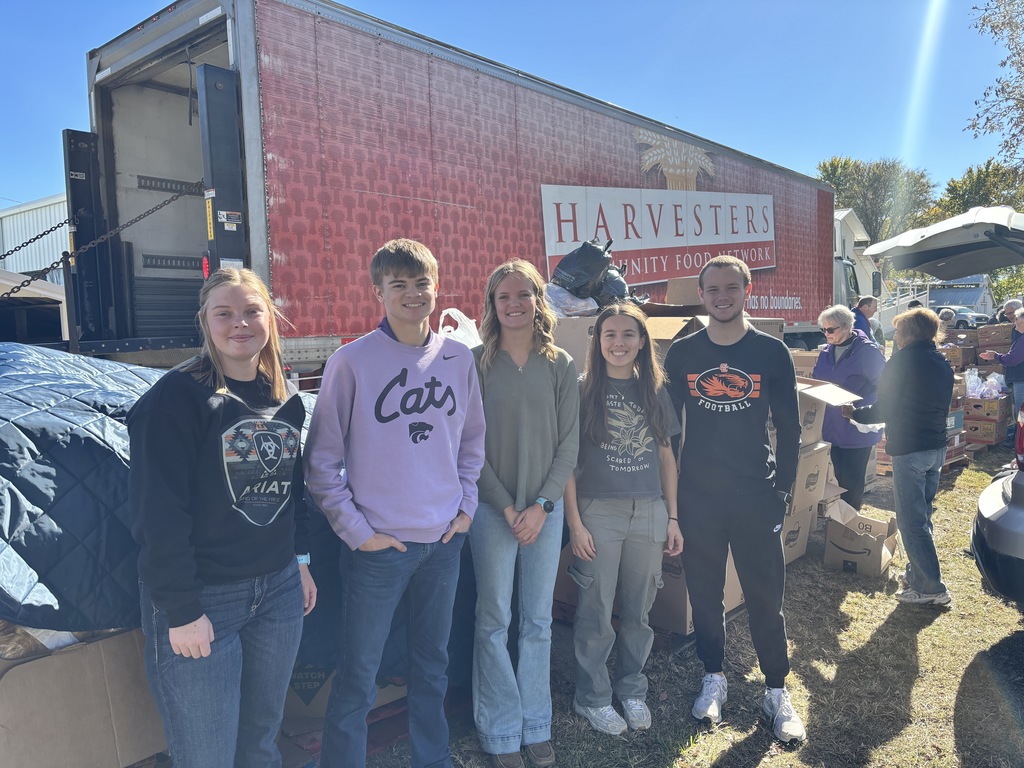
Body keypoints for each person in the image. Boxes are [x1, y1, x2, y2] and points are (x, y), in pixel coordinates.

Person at [305, 239, 486, 768]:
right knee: (359, 671)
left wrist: (466, 506)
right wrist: (358, 532)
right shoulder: (352, 361)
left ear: (437, 287)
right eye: (399, 284)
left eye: (421, 283)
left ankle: (434, 759)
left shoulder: (458, 358)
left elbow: (473, 442)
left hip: (444, 542)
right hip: (379, 548)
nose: (412, 293)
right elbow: (322, 463)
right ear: (378, 291)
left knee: (432, 664)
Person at [129, 267, 318, 768]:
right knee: (206, 755)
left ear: (270, 319)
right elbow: (157, 513)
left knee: (260, 741)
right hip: (206, 599)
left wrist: (297, 561)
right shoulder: (174, 400)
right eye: (225, 313)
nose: (240, 323)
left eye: (252, 311)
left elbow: (291, 491)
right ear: (204, 321)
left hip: (276, 593)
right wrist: (181, 609)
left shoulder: (284, 396)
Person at [663, 255, 806, 744]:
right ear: (701, 295)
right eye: (712, 290)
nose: (721, 297)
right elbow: (667, 432)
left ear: (747, 290)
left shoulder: (771, 353)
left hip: (756, 495)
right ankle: (713, 676)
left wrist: (783, 492)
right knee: (705, 595)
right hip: (699, 496)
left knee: (766, 599)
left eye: (731, 288)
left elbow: (790, 428)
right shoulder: (682, 354)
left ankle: (776, 690)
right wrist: (673, 503)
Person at [472, 259, 579, 768]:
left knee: (537, 622)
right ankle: (499, 730)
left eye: (523, 295)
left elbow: (569, 445)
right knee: (494, 621)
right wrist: (508, 505)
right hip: (493, 511)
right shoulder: (475, 363)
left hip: (544, 511)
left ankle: (536, 724)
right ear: (492, 306)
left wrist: (541, 505)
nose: (513, 305)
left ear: (539, 300)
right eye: (503, 297)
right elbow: (468, 448)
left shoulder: (558, 363)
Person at [564, 303, 683, 737]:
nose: (619, 343)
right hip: (599, 512)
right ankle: (592, 697)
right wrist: (575, 524)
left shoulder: (653, 389)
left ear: (642, 341)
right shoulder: (580, 390)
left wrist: (672, 516)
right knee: (595, 609)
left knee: (639, 609)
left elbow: (667, 457)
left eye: (628, 334)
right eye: (609, 334)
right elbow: (567, 463)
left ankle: (631, 688)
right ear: (597, 340)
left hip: (649, 510)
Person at [845, 308, 953, 606]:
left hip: (911, 447)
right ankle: (918, 578)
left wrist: (854, 413)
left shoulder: (901, 361)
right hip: (935, 447)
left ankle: (931, 587)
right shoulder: (941, 361)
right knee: (923, 516)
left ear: (910, 333)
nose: (895, 336)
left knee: (911, 521)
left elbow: (885, 408)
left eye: (898, 331)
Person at [812, 305, 886, 509]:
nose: (826, 334)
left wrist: (862, 407)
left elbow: (885, 385)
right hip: (831, 426)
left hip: (855, 426)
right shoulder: (827, 351)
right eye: (823, 330)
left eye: (830, 330)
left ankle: (849, 524)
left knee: (851, 480)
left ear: (846, 327)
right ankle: (840, 520)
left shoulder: (868, 352)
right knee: (838, 476)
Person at [979, 306, 1024, 421]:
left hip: (1021, 380)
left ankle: (1020, 438)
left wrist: (995, 355)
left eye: (1017, 319)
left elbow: (1013, 359)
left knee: (1021, 413)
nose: (1015, 323)